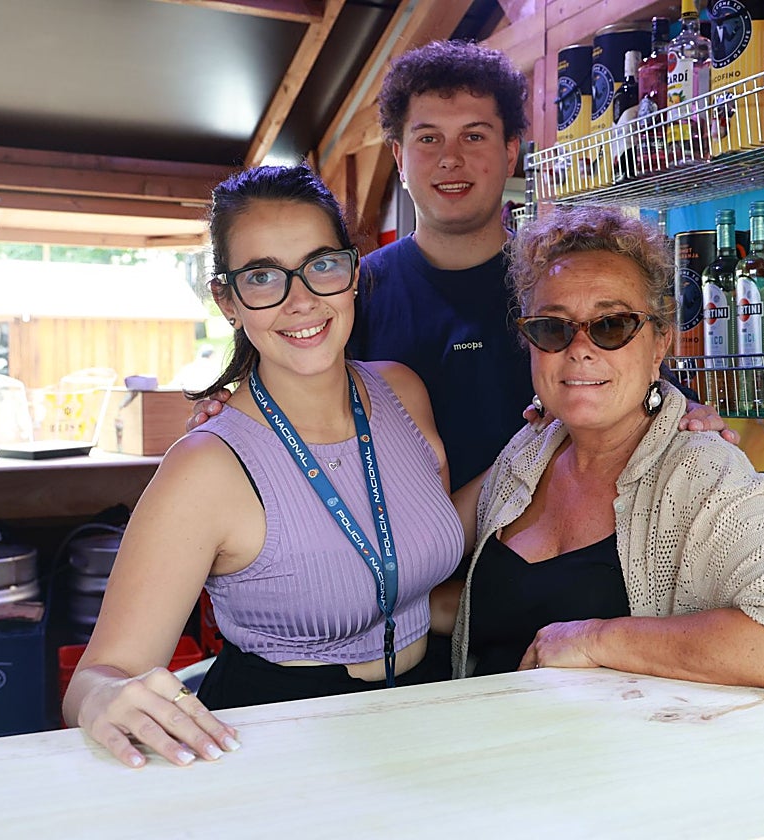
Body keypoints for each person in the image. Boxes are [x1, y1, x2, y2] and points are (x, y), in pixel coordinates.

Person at [189, 40, 736, 487]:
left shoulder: (562, 285)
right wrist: (228, 408)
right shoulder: (348, 292)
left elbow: (643, 388)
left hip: (556, 559)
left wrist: (689, 417)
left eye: (474, 136)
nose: (451, 158)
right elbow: (286, 389)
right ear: (399, 157)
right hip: (398, 566)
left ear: (511, 152)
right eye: (428, 138)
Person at [62, 164, 465, 769]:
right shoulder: (205, 466)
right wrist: (106, 698)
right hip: (282, 738)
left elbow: (409, 552)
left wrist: (547, 445)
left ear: (353, 273)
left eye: (321, 265)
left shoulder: (402, 392)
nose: (300, 300)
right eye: (262, 276)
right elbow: (95, 679)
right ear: (228, 301)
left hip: (431, 707)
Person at [440, 206, 764, 693]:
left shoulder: (702, 468)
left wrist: (593, 640)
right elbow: (455, 582)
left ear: (660, 344)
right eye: (553, 327)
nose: (580, 348)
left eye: (611, 325)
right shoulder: (527, 452)